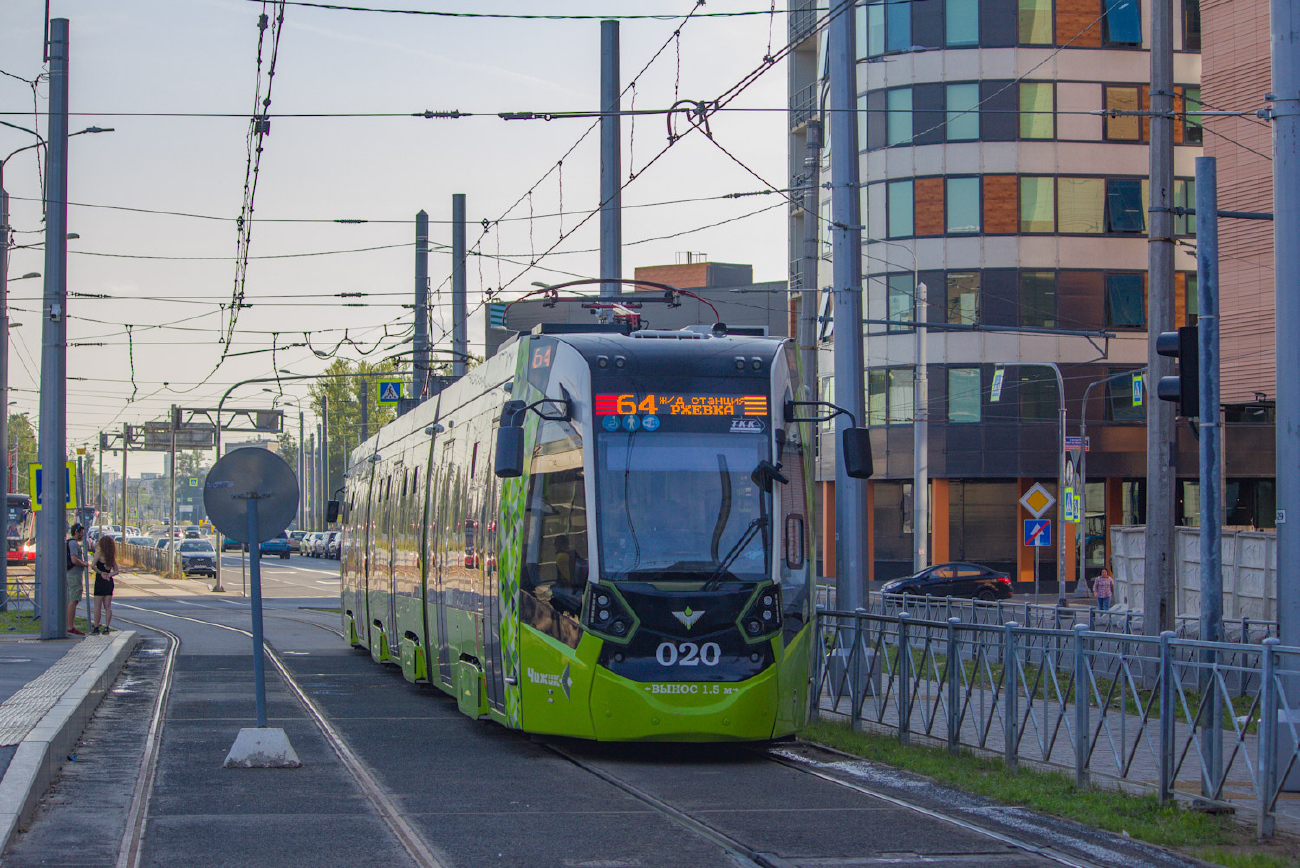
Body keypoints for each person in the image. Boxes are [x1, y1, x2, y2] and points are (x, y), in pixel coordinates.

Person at [91, 535, 120, 635]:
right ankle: (107, 627)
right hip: (108, 581)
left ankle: (96, 627)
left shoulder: (99, 554)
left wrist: (100, 572)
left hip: (100, 580)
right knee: (107, 606)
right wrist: (109, 574)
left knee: (97, 606)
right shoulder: (111, 556)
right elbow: (116, 570)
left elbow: (93, 565)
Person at [65, 524, 87, 636]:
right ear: (76, 532)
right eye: (81, 532)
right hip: (74, 575)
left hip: (71, 574)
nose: (83, 534)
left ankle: (68, 625)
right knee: (73, 600)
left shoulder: (71, 542)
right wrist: (84, 564)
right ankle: (70, 626)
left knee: (71, 600)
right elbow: (74, 560)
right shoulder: (73, 544)